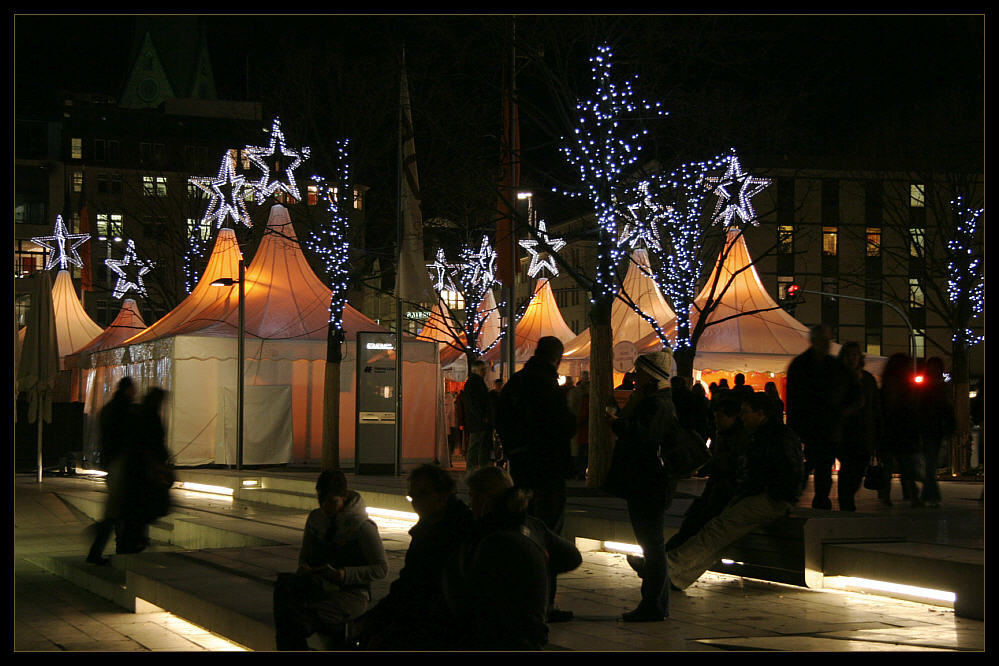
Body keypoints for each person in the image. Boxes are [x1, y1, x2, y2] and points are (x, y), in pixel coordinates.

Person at [668, 392, 803, 590]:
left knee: (718, 529)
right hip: (761, 495)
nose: (742, 416)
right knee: (719, 531)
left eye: (746, 412)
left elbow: (788, 471)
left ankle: (668, 567)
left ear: (761, 413)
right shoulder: (763, 435)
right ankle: (677, 575)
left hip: (768, 497)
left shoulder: (773, 437)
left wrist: (779, 496)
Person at [445, 467, 582, 650]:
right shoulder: (532, 525)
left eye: (471, 496)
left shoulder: (489, 538)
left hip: (504, 637)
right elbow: (572, 557)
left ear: (482, 498)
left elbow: (470, 596)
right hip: (533, 631)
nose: (470, 504)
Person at [495, 336, 577, 623]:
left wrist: (514, 449)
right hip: (548, 466)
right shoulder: (547, 385)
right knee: (549, 533)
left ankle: (520, 599)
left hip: (523, 464)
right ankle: (544, 603)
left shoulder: (518, 382)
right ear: (557, 357)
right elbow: (562, 425)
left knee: (524, 528)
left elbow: (501, 417)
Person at [355, 464, 474, 650]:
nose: (416, 502)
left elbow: (421, 588)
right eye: (412, 496)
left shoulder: (457, 533)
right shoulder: (429, 528)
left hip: (444, 623)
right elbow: (407, 583)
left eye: (423, 494)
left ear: (443, 495)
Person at [273, 470, 388, 650]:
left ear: (344, 497)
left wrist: (344, 574)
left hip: (351, 593)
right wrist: (304, 568)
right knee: (284, 590)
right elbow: (305, 555)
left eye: (332, 502)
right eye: (322, 502)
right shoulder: (316, 519)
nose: (327, 507)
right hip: (319, 583)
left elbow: (381, 568)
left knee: (300, 619)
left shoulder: (362, 527)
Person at [607, 350, 679, 622]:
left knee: (652, 544)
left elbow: (645, 438)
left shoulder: (658, 404)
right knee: (651, 543)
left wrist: (618, 424)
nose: (635, 376)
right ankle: (655, 603)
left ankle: (654, 603)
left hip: (650, 482)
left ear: (652, 374)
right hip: (648, 481)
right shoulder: (653, 400)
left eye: (640, 371)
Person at [665, 398, 749, 551]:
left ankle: (665, 560)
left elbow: (728, 464)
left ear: (733, 417)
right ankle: (666, 559)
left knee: (695, 525)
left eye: (720, 416)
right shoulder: (728, 435)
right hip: (719, 489)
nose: (716, 420)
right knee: (693, 525)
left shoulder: (737, 438)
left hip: (724, 491)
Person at [785, 324, 851, 510]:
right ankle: (817, 498)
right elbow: (795, 399)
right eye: (824, 340)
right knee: (817, 463)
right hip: (815, 424)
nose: (827, 344)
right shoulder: (806, 365)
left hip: (824, 424)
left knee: (819, 463)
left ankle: (817, 497)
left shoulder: (820, 364)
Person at [86, 377, 136, 565]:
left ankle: (110, 547)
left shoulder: (109, 409)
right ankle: (110, 548)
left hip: (111, 463)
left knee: (116, 510)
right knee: (116, 511)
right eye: (133, 389)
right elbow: (126, 438)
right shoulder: (124, 410)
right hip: (120, 465)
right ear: (128, 389)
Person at [117, 387, 173, 555]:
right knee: (141, 509)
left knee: (136, 510)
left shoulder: (139, 414)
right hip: (145, 471)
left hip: (137, 470)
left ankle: (131, 540)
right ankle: (134, 540)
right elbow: (151, 444)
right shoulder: (150, 417)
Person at [837, 343, 882, 511]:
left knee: (858, 468)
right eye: (848, 355)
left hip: (865, 432)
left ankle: (847, 498)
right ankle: (846, 501)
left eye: (854, 355)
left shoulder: (868, 379)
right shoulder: (838, 378)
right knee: (848, 466)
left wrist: (878, 431)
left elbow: (876, 407)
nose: (851, 358)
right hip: (845, 432)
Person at [879, 353, 924, 507]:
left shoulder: (887, 387)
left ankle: (886, 496)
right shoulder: (907, 389)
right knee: (907, 467)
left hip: (890, 431)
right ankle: (912, 496)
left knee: (888, 467)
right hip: (903, 432)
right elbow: (912, 411)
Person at [918, 357, 954, 507]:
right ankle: (930, 496)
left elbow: (947, 410)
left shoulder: (936, 388)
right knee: (929, 465)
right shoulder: (937, 388)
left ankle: (930, 496)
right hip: (929, 429)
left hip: (932, 430)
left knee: (929, 465)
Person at [461, 360, 492, 472]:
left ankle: (476, 470)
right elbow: (473, 404)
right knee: (476, 446)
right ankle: (473, 470)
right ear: (476, 370)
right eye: (482, 369)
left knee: (478, 446)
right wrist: (482, 416)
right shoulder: (475, 383)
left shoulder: (475, 382)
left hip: (477, 421)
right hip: (478, 421)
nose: (484, 372)